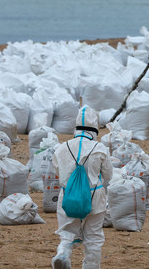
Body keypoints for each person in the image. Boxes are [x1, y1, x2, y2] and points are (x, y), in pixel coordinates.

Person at [51, 106, 113, 269]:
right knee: (93, 238)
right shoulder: (99, 148)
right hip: (94, 199)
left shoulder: (62, 148)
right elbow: (108, 175)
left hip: (68, 197)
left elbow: (57, 171)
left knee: (67, 233)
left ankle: (63, 253)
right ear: (94, 129)